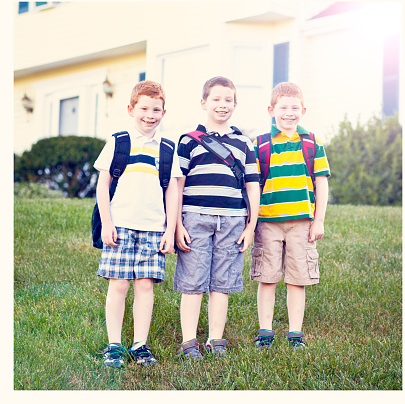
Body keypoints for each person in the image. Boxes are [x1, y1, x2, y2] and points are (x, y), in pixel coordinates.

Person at [94, 80, 182, 368]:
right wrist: (107, 223)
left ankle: (140, 345)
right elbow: (103, 184)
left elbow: (173, 191)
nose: (150, 114)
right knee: (118, 285)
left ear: (164, 112)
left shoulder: (168, 149)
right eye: (144, 108)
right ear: (131, 109)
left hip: (154, 228)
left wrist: (170, 230)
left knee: (145, 286)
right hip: (119, 226)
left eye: (156, 109)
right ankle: (115, 345)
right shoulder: (118, 142)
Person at [174, 76, 260, 360]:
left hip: (233, 221)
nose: (222, 105)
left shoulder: (244, 143)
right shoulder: (188, 141)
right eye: (216, 99)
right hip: (194, 218)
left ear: (235, 104)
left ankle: (215, 338)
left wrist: (251, 225)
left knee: (222, 282)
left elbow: (252, 186)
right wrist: (176, 225)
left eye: (228, 100)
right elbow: (178, 185)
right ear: (203, 103)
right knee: (193, 280)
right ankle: (189, 341)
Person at [250, 82, 330, 350]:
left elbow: (321, 183)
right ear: (271, 110)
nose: (289, 112)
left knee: (298, 278)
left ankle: (295, 334)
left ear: (303, 110)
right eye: (283, 107)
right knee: (268, 276)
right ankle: (265, 332)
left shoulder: (311, 142)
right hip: (268, 222)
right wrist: (252, 222)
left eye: (295, 107)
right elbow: (254, 186)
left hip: (301, 222)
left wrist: (318, 220)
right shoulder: (260, 144)